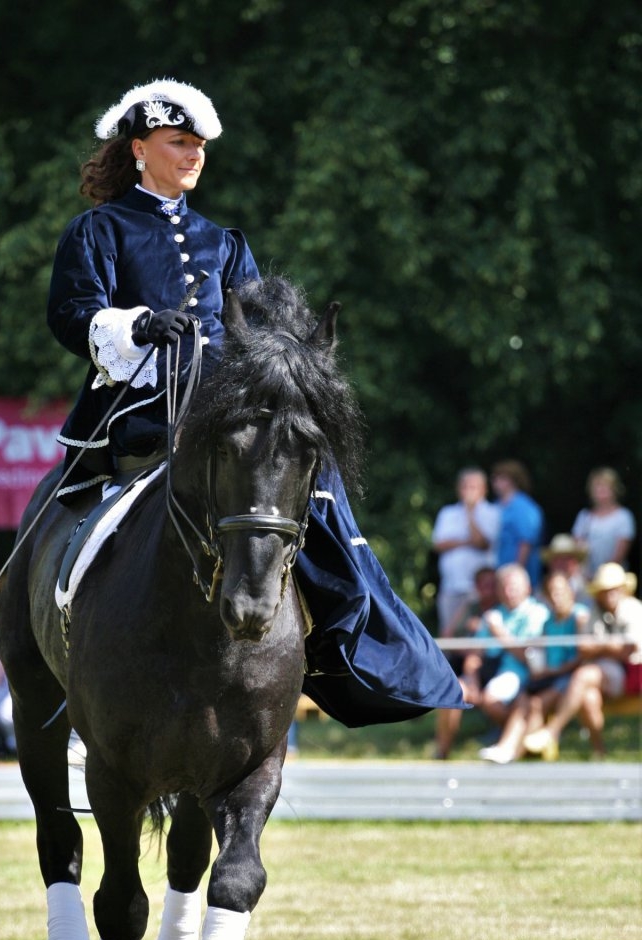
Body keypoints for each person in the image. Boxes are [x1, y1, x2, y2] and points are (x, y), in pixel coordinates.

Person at [44, 77, 464, 727]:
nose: (193, 155)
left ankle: (347, 644)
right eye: (178, 142)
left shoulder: (224, 242)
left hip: (222, 408)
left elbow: (259, 328)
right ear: (138, 149)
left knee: (308, 480)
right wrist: (134, 325)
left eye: (200, 145)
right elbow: (72, 315)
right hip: (139, 406)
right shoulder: (97, 230)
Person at [524, 563, 642, 760]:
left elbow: (627, 650)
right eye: (605, 590)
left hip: (633, 676)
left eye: (613, 589)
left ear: (622, 589)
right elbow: (585, 649)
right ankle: (600, 752)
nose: (609, 594)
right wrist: (609, 647)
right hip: (609, 674)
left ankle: (552, 730)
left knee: (584, 675)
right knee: (588, 696)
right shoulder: (595, 611)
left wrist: (601, 647)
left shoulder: (633, 609)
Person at [470, 571, 589, 764]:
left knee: (533, 705)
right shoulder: (549, 620)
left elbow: (582, 657)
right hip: (547, 677)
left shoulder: (579, 615)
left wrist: (552, 671)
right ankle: (509, 749)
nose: (556, 597)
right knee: (526, 703)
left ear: (571, 592)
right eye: (552, 593)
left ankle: (513, 751)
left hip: (566, 679)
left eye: (560, 592)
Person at [462, 563, 548, 762]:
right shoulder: (494, 614)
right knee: (463, 690)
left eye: (514, 587)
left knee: (492, 700)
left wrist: (500, 633)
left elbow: (527, 657)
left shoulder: (537, 613)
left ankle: (510, 735)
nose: (509, 592)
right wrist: (472, 679)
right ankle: (521, 732)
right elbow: (475, 653)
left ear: (527, 588)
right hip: (491, 673)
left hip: (527, 676)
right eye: (505, 587)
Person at [433, 566, 499, 759]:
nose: (487, 588)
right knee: (452, 694)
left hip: (494, 668)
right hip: (467, 669)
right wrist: (470, 649)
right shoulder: (471, 607)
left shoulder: (502, 610)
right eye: (482, 583)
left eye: (491, 584)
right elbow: (448, 636)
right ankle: (442, 752)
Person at [431, 468, 500, 633]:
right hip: (450, 587)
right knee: (448, 634)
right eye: (465, 486)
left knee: (475, 634)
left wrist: (470, 513)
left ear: (484, 489)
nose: (468, 491)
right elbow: (438, 544)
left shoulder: (492, 512)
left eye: (473, 487)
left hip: (478, 589)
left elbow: (481, 543)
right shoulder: (447, 513)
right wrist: (466, 542)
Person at [571, 467, 636, 581]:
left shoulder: (623, 517)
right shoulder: (584, 516)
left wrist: (602, 576)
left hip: (613, 579)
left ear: (615, 489)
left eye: (605, 486)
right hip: (585, 579)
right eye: (597, 486)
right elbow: (576, 551)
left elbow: (619, 555)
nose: (601, 490)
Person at [490, 460, 545, 587]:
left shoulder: (524, 507)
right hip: (497, 572)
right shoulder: (495, 505)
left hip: (520, 574)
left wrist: (517, 571)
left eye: (501, 478)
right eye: (495, 478)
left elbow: (526, 542)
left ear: (514, 480)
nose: (496, 482)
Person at [539, 533, 589, 605]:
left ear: (575, 562)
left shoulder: (584, 587)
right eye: (557, 559)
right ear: (550, 563)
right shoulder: (542, 589)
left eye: (566, 559)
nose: (562, 563)